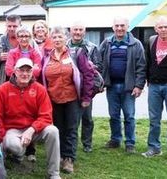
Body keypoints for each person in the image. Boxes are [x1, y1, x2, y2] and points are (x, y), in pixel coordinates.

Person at [0, 58, 61, 179]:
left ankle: (54, 173)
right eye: (21, 70)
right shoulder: (3, 89)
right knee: (15, 147)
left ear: (32, 72)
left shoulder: (40, 89)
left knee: (53, 131)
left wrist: (31, 130)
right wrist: (1, 137)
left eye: (28, 71)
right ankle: (18, 154)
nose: (25, 74)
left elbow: (46, 115)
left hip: (34, 128)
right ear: (15, 71)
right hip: (12, 130)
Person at [41, 26, 93, 174]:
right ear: (51, 39)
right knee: (58, 129)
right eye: (54, 37)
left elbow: (88, 75)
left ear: (66, 38)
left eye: (60, 37)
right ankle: (60, 156)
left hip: (72, 98)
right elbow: (42, 78)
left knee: (71, 129)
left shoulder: (76, 53)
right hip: (53, 99)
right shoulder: (46, 56)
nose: (57, 40)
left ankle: (69, 159)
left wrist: (86, 97)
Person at [99, 17, 146, 154]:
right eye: (117, 25)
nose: (119, 28)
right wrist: (101, 82)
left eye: (122, 25)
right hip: (112, 86)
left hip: (129, 87)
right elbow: (99, 63)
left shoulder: (135, 44)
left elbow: (141, 67)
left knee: (129, 116)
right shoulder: (107, 43)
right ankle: (115, 139)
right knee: (113, 115)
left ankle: (130, 143)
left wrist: (139, 85)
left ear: (128, 26)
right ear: (113, 27)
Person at [68, 21, 102, 153]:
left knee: (87, 117)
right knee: (72, 118)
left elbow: (100, 66)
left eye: (80, 30)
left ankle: (87, 143)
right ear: (70, 31)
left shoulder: (92, 47)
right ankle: (72, 142)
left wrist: (92, 66)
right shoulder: (65, 46)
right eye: (75, 29)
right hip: (70, 87)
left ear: (84, 31)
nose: (77, 32)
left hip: (86, 87)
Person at [142, 16, 167, 158]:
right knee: (154, 119)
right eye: (160, 27)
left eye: (166, 27)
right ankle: (154, 148)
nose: (163, 30)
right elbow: (147, 62)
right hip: (154, 86)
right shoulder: (151, 41)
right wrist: (147, 79)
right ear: (156, 29)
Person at [0, 14, 21, 86]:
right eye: (9, 26)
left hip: (24, 78)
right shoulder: (0, 41)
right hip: (4, 79)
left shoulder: (28, 40)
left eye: (15, 26)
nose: (11, 29)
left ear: (20, 26)